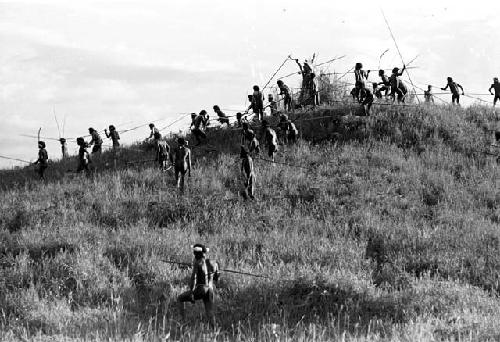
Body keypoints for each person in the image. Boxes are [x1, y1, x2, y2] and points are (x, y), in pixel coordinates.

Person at [178, 244, 220, 327]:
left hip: (201, 289)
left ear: (196, 254)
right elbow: (217, 277)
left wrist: (191, 293)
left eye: (194, 253)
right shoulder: (214, 263)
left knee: (180, 298)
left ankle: (182, 323)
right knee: (210, 312)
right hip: (210, 290)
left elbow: (194, 278)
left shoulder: (198, 263)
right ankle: (215, 330)